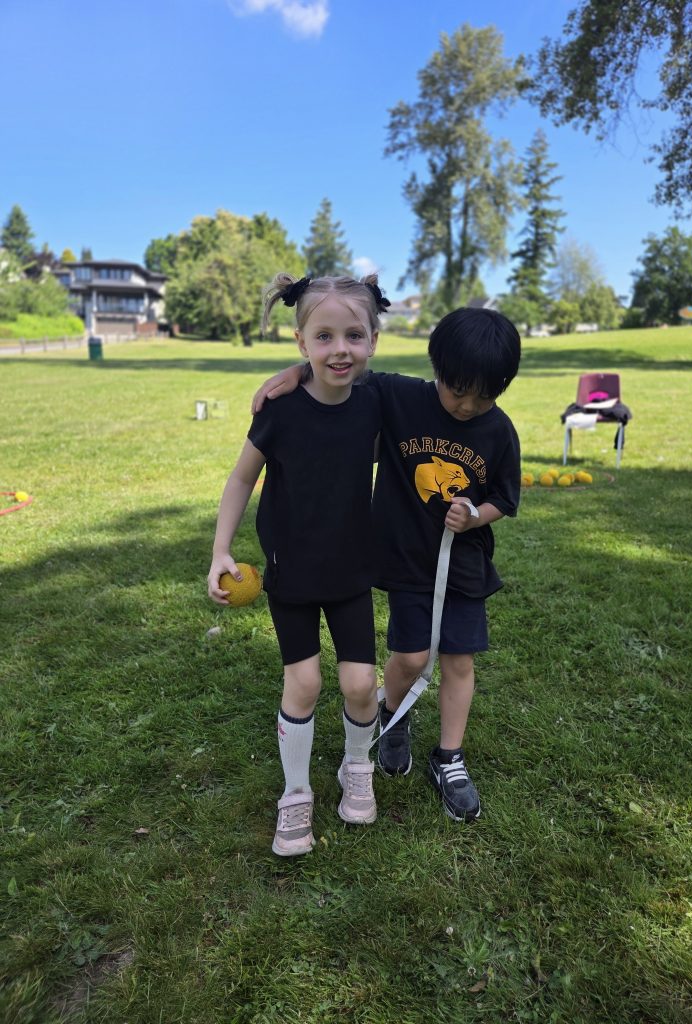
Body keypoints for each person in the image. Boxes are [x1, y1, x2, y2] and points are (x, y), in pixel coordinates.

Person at [251, 306, 521, 823]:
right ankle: (393, 716)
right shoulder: (401, 396)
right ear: (438, 370)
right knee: (411, 657)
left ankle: (450, 757)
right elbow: (342, 368)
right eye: (457, 391)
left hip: (462, 565)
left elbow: (504, 498)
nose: (467, 406)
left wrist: (475, 516)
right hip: (405, 559)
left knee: (459, 662)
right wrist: (296, 372)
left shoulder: (499, 430)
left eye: (483, 396)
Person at [208, 272, 388, 857]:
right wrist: (220, 550)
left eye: (354, 336)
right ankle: (295, 792)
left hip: (351, 570)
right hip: (291, 573)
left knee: (360, 684)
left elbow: (434, 404)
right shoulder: (280, 411)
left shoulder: (377, 404)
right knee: (304, 683)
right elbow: (242, 478)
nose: (340, 349)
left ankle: (356, 767)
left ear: (374, 341)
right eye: (323, 336)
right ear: (301, 341)